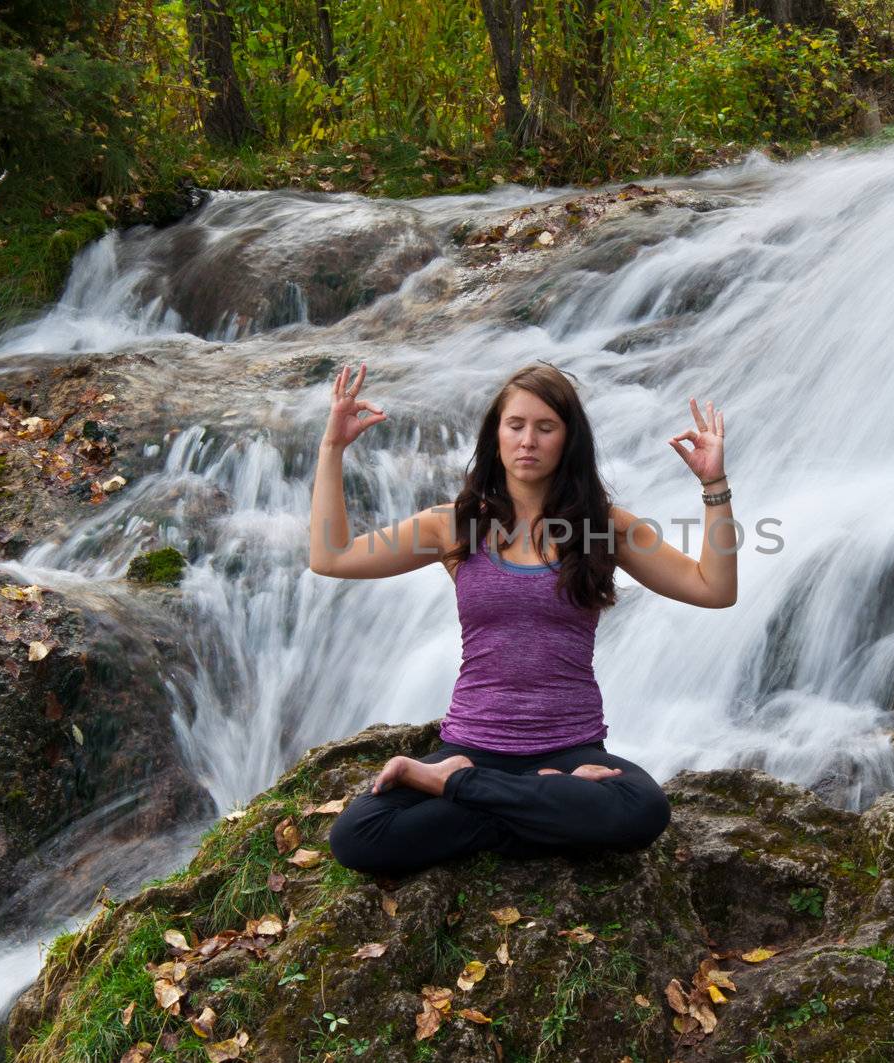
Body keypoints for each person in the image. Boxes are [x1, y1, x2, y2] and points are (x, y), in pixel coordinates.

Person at [312, 359, 736, 877]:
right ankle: (537, 807)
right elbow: (331, 556)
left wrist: (714, 486)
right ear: (496, 435)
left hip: (570, 749)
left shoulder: (602, 528)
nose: (528, 441)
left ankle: (454, 787)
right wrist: (332, 449)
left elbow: (713, 589)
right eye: (515, 426)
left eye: (545, 427)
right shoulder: (455, 526)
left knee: (645, 810)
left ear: (567, 440)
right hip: (473, 745)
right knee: (358, 837)